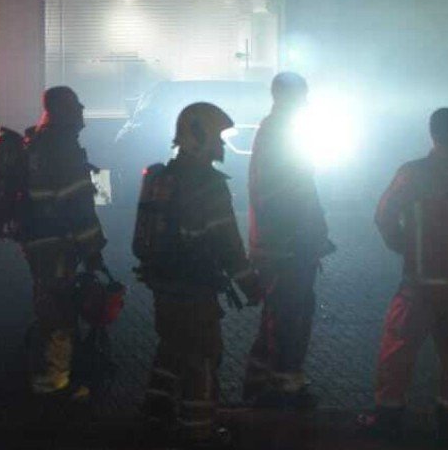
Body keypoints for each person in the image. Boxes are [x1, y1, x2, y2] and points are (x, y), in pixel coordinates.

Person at [358, 108, 448, 444]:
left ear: (432, 135)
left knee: (397, 349)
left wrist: (404, 246)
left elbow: (383, 216)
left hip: (419, 285)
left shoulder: (412, 174)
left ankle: (388, 417)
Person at [133, 102, 261, 447]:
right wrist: (251, 284)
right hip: (194, 288)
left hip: (163, 283)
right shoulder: (209, 185)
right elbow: (228, 244)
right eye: (218, 139)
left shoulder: (161, 177)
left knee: (171, 346)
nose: (222, 147)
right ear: (198, 138)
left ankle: (156, 411)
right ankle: (198, 429)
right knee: (203, 356)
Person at [243, 72, 334, 409]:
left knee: (286, 313)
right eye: (302, 96)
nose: (306, 102)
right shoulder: (279, 133)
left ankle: (268, 383)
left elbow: (298, 190)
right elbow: (286, 194)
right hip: (285, 248)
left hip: (287, 245)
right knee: (287, 316)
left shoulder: (280, 131)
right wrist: (305, 235)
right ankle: (280, 386)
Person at [21, 86, 107, 401]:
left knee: (48, 303)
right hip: (55, 242)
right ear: (65, 112)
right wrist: (94, 249)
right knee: (59, 311)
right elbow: (79, 206)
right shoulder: (63, 150)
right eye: (76, 106)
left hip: (39, 239)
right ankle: (53, 382)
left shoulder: (39, 143)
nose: (82, 111)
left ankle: (48, 372)